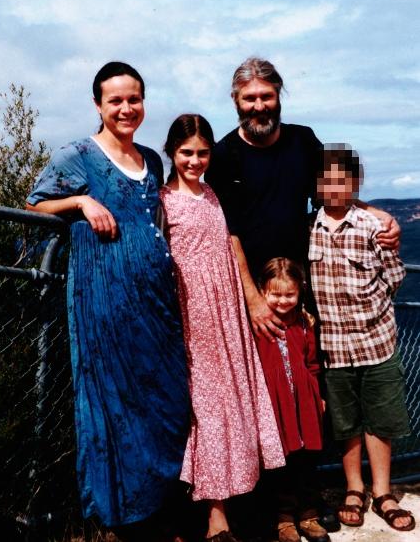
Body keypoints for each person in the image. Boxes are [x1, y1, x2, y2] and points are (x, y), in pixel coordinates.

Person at [26, 62, 190, 530]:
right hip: (103, 303)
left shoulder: (152, 161)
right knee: (116, 405)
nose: (125, 108)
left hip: (156, 305)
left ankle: (163, 510)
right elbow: (35, 203)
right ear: (98, 104)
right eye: (115, 100)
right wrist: (80, 202)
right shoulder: (78, 154)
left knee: (168, 401)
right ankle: (126, 520)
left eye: (133, 99)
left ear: (144, 102)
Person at [205, 57, 401, 343]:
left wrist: (376, 214)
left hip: (303, 287)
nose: (259, 106)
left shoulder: (302, 140)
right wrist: (253, 301)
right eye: (249, 98)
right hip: (255, 294)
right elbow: (228, 234)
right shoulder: (223, 156)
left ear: (279, 94)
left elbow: (335, 193)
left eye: (266, 96)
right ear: (235, 100)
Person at [159, 114, 286, 542]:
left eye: (202, 152)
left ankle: (235, 501)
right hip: (192, 314)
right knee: (207, 411)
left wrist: (247, 297)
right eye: (186, 152)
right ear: (171, 152)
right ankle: (215, 519)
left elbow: (229, 246)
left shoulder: (212, 193)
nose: (194, 160)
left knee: (231, 405)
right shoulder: (162, 200)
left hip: (226, 312)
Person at [309, 145, 415, 532]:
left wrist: (372, 308)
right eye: (327, 180)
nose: (334, 187)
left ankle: (383, 491)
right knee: (346, 423)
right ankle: (354, 488)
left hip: (376, 341)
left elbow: (394, 277)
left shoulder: (374, 226)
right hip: (333, 347)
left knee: (380, 421)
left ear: (356, 183)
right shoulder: (308, 229)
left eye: (343, 180)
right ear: (317, 185)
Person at [255, 257, 329, 542]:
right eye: (275, 294)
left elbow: (312, 363)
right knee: (282, 461)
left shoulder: (305, 323)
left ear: (300, 292)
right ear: (262, 291)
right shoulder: (259, 326)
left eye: (290, 294)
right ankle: (284, 519)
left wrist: (318, 395)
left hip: (304, 402)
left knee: (308, 459)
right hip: (275, 404)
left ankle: (309, 514)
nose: (283, 301)